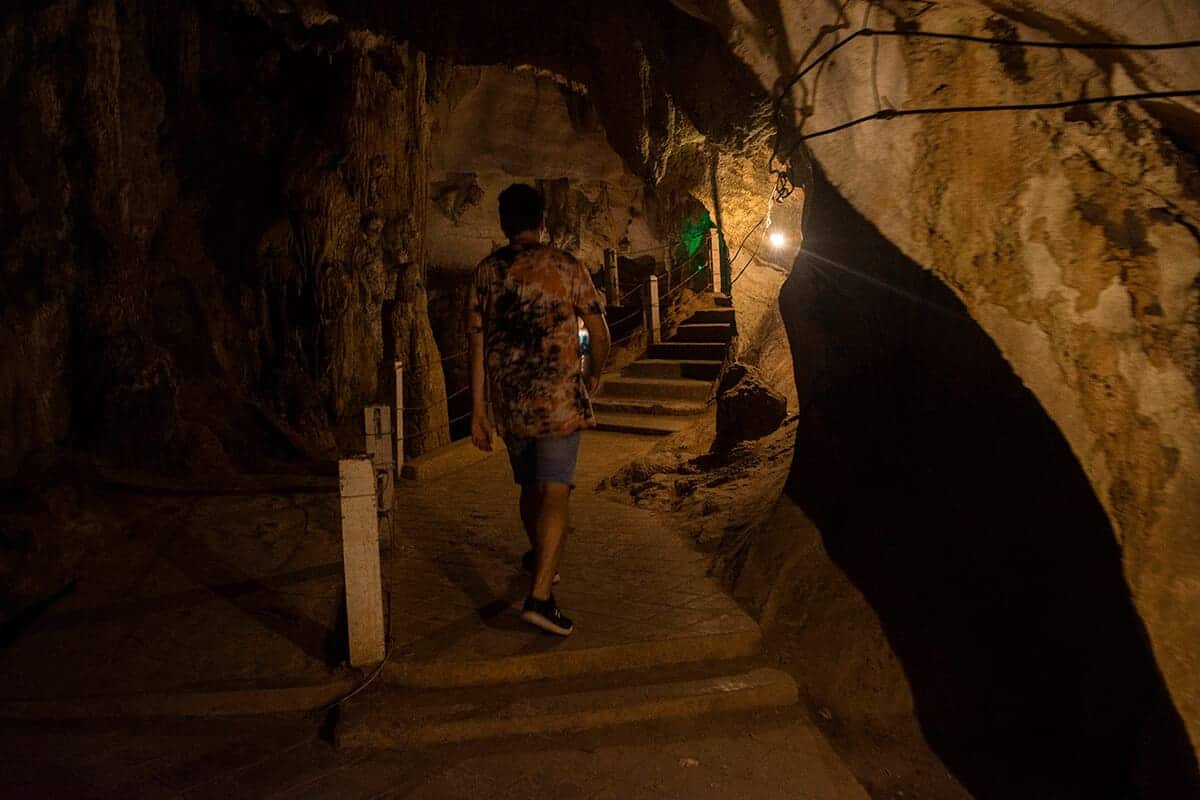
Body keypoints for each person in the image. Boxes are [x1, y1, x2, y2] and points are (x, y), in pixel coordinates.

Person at [466, 183, 611, 636]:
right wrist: (593, 374)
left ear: (503, 223)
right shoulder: (566, 267)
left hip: (510, 401)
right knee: (555, 490)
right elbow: (598, 331)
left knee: (530, 485)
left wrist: (478, 410)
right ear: (542, 221)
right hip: (557, 398)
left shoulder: (487, 272)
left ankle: (538, 555)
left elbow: (476, 342)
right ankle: (541, 596)